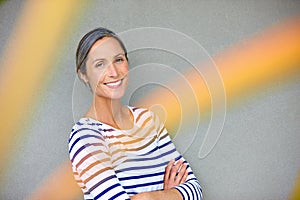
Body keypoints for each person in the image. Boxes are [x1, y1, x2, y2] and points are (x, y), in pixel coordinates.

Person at [68, 27, 203, 200]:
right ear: (83, 75)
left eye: (118, 59)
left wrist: (150, 197)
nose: (114, 72)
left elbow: (195, 191)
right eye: (100, 64)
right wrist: (168, 195)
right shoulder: (86, 137)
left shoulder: (148, 120)